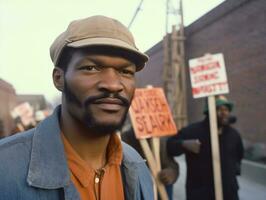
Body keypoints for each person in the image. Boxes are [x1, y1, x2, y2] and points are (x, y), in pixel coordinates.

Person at [0, 15, 154, 200]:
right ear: (59, 78)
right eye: (91, 68)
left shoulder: (136, 165)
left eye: (126, 71)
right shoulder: (5, 168)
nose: (113, 84)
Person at [167, 95, 244, 200]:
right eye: (219, 109)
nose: (224, 112)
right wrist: (183, 144)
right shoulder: (193, 131)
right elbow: (170, 145)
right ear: (208, 111)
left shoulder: (234, 135)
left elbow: (239, 157)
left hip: (229, 194)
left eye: (226, 109)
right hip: (200, 194)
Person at [122, 126, 179, 200]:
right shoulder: (125, 138)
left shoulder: (159, 140)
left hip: (159, 186)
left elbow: (172, 165)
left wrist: (170, 173)